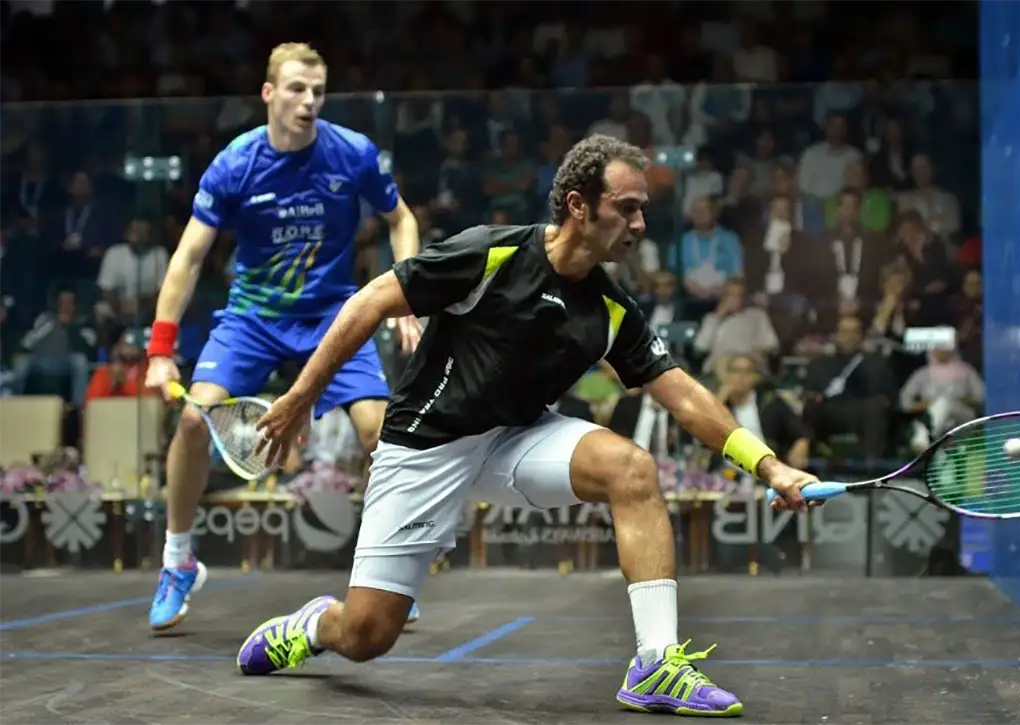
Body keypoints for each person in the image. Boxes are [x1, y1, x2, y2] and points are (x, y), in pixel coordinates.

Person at [239, 134, 818, 717]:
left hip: (516, 438)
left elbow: (684, 395)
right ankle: (316, 626)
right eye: (627, 207)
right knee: (367, 637)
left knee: (631, 468)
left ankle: (657, 664)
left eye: (642, 208)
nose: (640, 223)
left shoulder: (612, 309)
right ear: (578, 205)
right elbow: (368, 302)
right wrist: (299, 397)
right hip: (425, 447)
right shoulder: (490, 256)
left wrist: (767, 465)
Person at [144, 43, 425, 632]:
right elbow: (189, 257)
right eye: (297, 89)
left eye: (318, 91)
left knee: (379, 433)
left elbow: (401, 218)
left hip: (331, 315)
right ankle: (177, 562)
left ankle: (385, 578)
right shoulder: (235, 164)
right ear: (269, 93)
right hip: (252, 319)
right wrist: (161, 350)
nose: (309, 102)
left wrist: (407, 292)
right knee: (195, 422)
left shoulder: (351, 154)